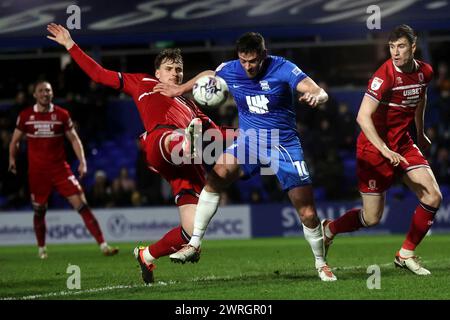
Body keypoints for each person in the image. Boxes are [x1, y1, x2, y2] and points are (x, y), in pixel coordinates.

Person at [46, 23, 231, 284]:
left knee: (192, 232)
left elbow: (218, 135)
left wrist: (253, 137)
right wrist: (70, 45)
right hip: (161, 142)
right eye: (169, 69)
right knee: (174, 137)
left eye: (179, 69)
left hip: (187, 166)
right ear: (157, 72)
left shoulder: (189, 104)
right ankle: (186, 142)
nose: (175, 74)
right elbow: (99, 74)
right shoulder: (142, 82)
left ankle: (146, 255)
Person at [155, 32, 337, 281]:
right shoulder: (231, 69)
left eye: (252, 61)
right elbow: (208, 74)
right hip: (249, 141)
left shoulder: (283, 67)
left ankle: (320, 262)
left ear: (263, 55)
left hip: (282, 143)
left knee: (306, 213)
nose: (248, 66)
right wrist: (180, 89)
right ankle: (194, 243)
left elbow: (317, 89)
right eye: (243, 61)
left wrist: (317, 96)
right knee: (216, 177)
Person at [321, 24, 442, 275]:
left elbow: (420, 99)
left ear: (413, 46)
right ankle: (330, 229)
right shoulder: (383, 76)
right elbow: (362, 117)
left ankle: (405, 253)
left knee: (433, 196)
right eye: (391, 47)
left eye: (400, 46)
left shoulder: (425, 72)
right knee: (372, 218)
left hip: (403, 144)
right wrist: (385, 150)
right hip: (374, 149)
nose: (395, 52)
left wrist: (420, 133)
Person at [8, 80, 119, 259]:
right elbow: (15, 141)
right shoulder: (26, 116)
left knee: (82, 204)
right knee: (39, 210)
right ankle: (42, 249)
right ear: (35, 94)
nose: (45, 93)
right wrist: (12, 158)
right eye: (42, 90)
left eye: (48, 90)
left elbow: (74, 139)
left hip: (60, 170)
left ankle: (104, 245)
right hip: (37, 173)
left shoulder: (61, 114)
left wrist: (82, 161)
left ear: (52, 93)